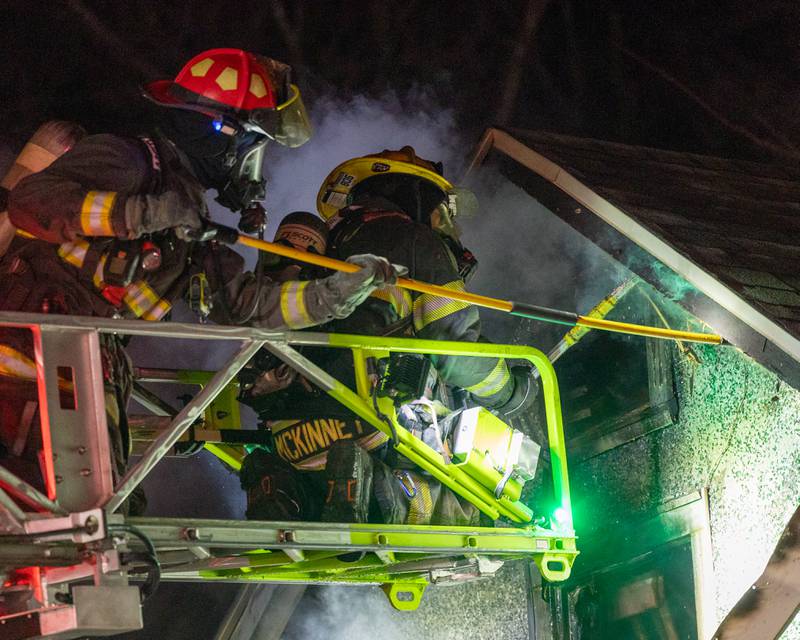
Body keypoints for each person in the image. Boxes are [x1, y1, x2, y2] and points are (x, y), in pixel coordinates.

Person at [0, 49, 397, 513]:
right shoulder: (130, 161)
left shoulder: (191, 229)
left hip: (78, 372)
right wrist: (140, 214)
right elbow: (31, 201)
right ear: (222, 133)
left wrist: (335, 296)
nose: (254, 166)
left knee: (95, 528)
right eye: (256, 146)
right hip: (25, 364)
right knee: (58, 528)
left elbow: (247, 306)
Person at [240, 146, 538, 526]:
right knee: (465, 507)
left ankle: (277, 486)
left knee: (322, 496)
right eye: (441, 209)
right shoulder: (414, 241)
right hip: (373, 423)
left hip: (290, 436)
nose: (444, 222)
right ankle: (378, 491)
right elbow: (456, 351)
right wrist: (510, 391)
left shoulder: (315, 251)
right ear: (414, 195)